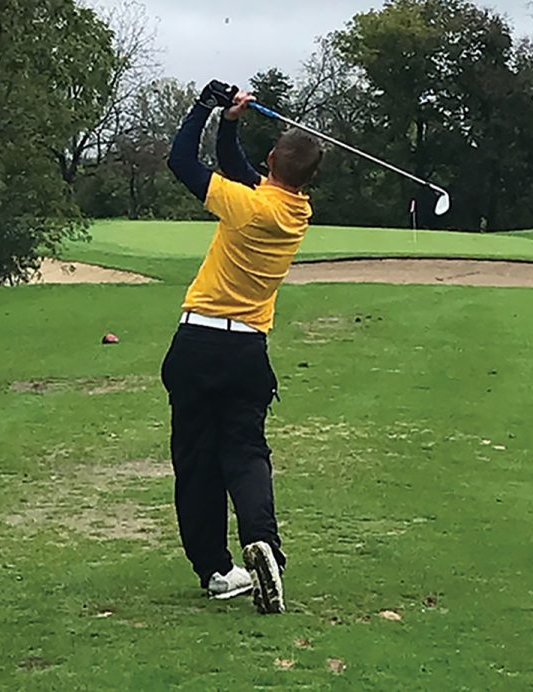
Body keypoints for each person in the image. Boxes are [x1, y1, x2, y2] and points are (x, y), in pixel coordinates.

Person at [161, 80, 323, 614]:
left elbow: (181, 160)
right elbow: (236, 167)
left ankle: (214, 569)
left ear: (273, 158)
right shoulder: (295, 211)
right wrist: (231, 122)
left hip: (197, 342)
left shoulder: (247, 206)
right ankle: (265, 548)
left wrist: (203, 106)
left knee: (196, 461)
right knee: (247, 454)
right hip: (247, 351)